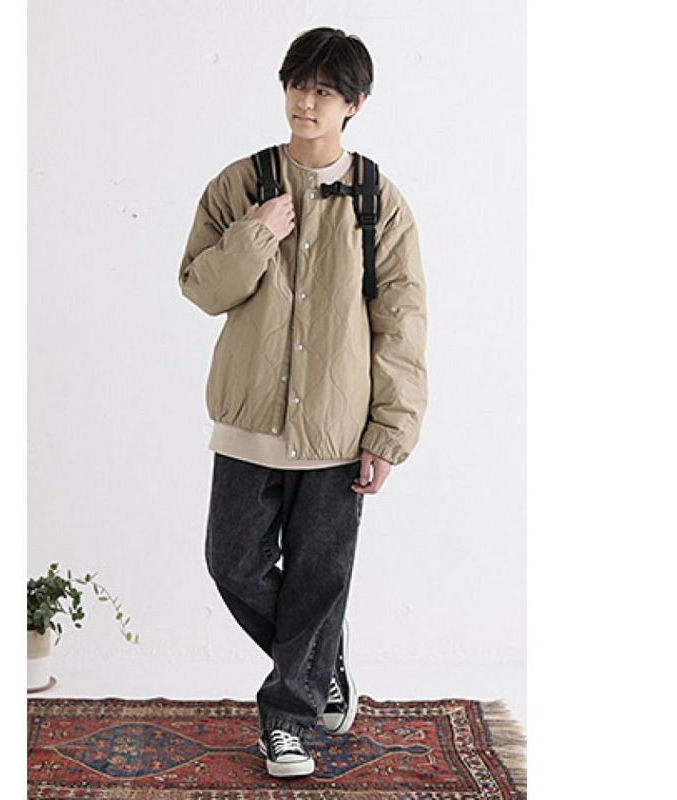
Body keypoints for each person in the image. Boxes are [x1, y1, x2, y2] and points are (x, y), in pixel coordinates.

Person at [178, 27, 428, 779]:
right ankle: (321, 661)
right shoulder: (241, 184)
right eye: (297, 85)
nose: (306, 102)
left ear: (355, 104)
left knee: (320, 578)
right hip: (247, 419)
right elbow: (200, 287)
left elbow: (402, 323)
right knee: (231, 562)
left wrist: (390, 431)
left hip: (338, 429)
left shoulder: (379, 201)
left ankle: (286, 723)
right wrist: (256, 235)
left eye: (324, 90)